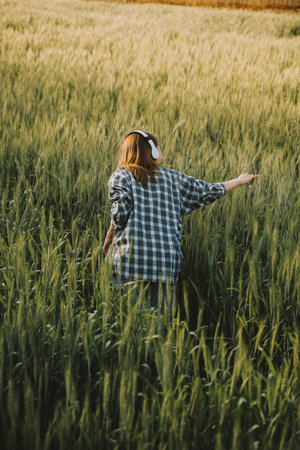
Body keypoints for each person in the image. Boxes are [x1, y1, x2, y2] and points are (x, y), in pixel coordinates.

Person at [103, 130, 258, 316]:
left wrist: (109, 237)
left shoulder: (121, 176)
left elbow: (121, 213)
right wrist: (238, 181)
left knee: (127, 326)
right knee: (157, 331)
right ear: (152, 151)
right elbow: (207, 191)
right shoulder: (173, 178)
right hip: (165, 265)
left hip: (131, 263)